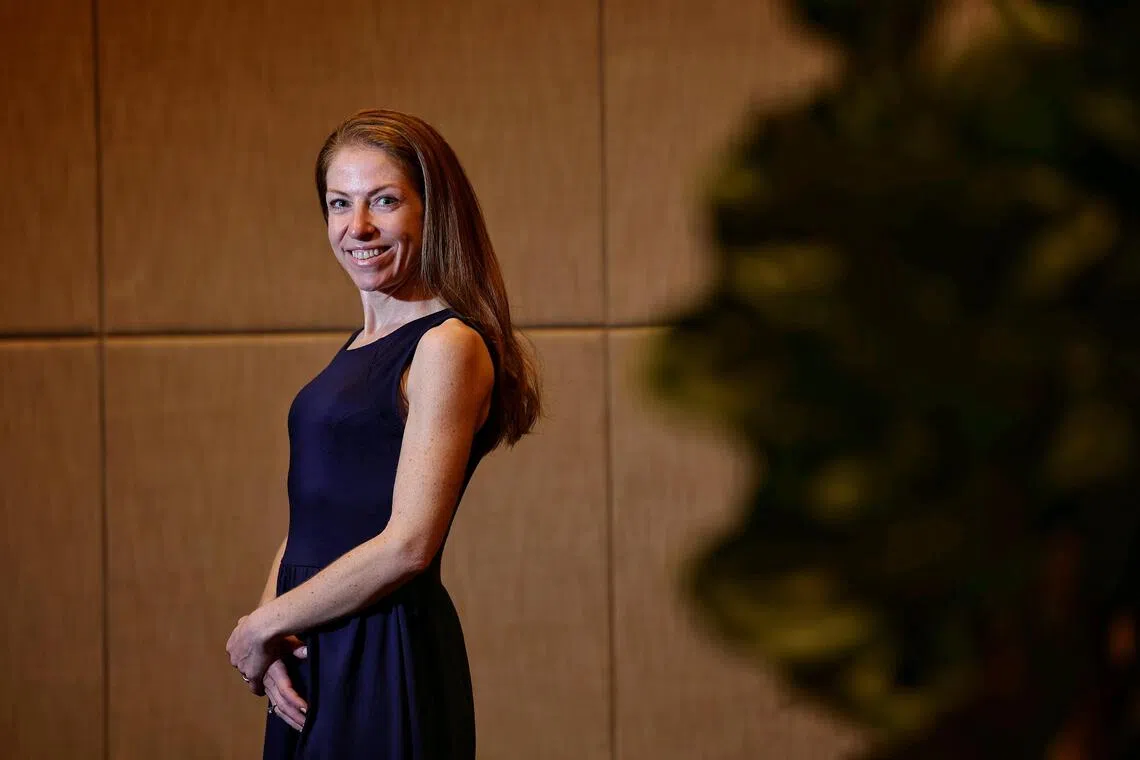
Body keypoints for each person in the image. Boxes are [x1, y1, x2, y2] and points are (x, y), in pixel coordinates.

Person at [225, 109, 541, 759]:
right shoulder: (361, 346)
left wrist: (267, 623)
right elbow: (318, 512)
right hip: (313, 641)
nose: (357, 227)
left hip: (383, 651)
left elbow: (408, 545)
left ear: (432, 212)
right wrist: (273, 629)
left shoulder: (447, 345)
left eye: (385, 201)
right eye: (340, 203)